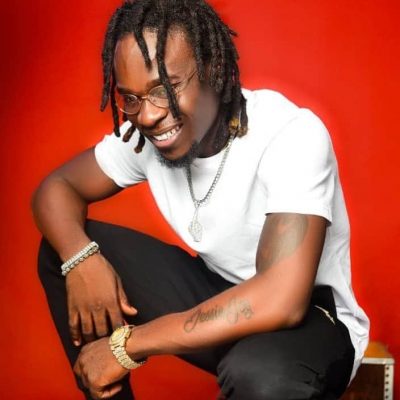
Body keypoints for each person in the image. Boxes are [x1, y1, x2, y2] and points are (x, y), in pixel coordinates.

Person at [32, 0, 369, 399]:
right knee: (66, 252)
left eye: (165, 89)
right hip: (219, 293)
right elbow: (56, 189)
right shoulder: (148, 138)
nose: (148, 115)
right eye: (131, 99)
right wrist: (82, 259)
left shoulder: (289, 134)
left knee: (259, 374)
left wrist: (128, 346)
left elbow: (282, 300)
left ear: (214, 68)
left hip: (310, 319)